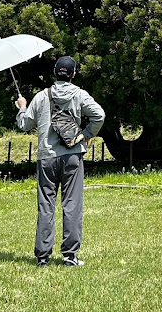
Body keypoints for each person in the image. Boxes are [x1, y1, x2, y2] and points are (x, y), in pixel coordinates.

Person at [15, 55, 105, 267]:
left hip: (46, 157)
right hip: (72, 155)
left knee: (46, 204)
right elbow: (99, 115)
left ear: (55, 72)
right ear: (73, 74)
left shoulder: (41, 96)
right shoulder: (79, 94)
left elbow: (25, 125)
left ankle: (43, 257)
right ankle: (70, 256)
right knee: (72, 204)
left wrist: (21, 106)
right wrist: (86, 134)